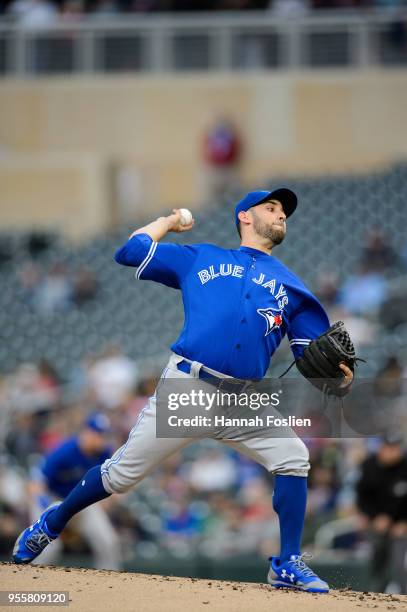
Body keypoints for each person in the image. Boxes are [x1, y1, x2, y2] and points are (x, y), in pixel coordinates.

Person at [13, 188, 353, 592]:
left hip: (243, 399)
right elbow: (130, 250)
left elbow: (312, 354)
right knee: (121, 475)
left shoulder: (292, 287)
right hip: (189, 386)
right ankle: (51, 523)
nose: (282, 215)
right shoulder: (202, 257)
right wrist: (169, 222)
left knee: (293, 456)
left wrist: (338, 378)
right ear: (245, 216)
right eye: (272, 207)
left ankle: (287, 563)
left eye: (284, 212)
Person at [27, 412, 122, 570]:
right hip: (52, 500)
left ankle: (110, 588)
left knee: (107, 541)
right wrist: (44, 507)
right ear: (86, 432)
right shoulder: (65, 452)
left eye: (103, 435)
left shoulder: (104, 453)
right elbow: (35, 483)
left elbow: (111, 481)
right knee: (48, 548)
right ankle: (30, 583)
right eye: (97, 433)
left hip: (80, 502)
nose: (101, 438)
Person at [356, 432, 407, 594]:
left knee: (400, 564)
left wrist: (404, 522)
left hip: (401, 526)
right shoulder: (369, 466)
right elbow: (362, 496)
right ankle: (374, 598)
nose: (392, 451)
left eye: (395, 448)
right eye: (388, 447)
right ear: (381, 448)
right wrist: (374, 517)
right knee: (376, 564)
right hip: (377, 524)